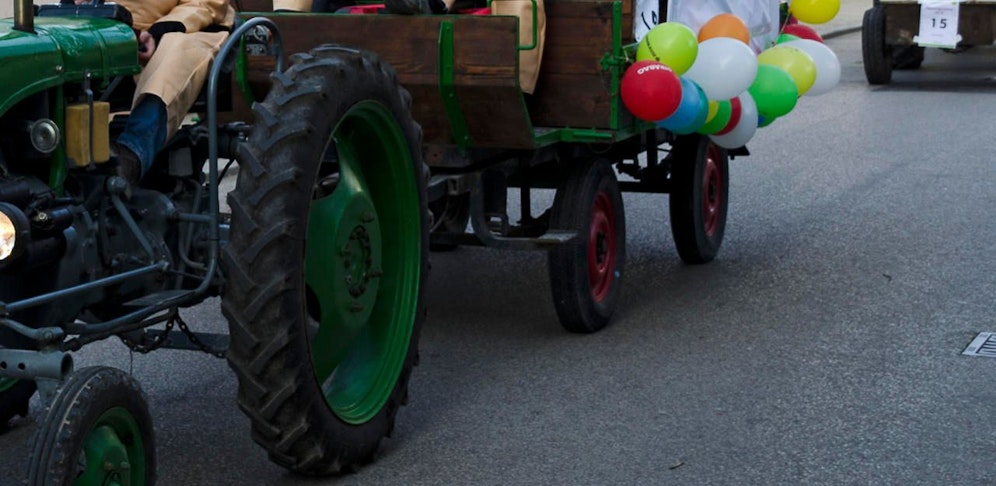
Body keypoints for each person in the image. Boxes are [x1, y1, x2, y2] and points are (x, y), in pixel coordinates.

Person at [84, 0, 235, 183]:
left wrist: (158, 32)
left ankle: (132, 151)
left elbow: (206, 4)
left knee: (177, 48)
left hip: (186, 27)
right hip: (108, 30)